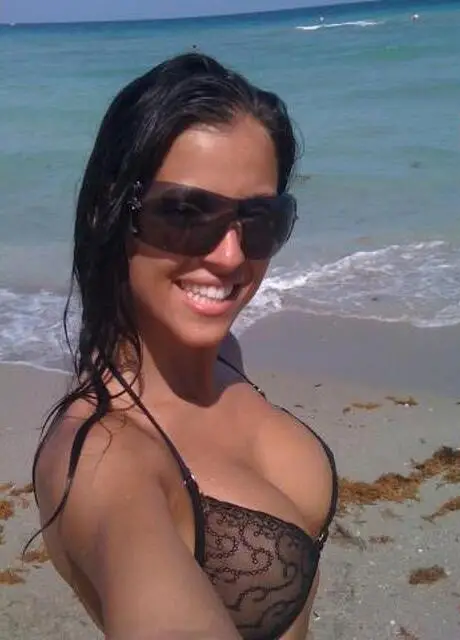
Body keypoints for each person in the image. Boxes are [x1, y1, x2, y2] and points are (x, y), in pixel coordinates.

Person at [31, 52, 338, 640]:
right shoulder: (106, 462)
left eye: (260, 218)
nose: (229, 255)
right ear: (109, 214)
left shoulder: (221, 355)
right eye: (185, 212)